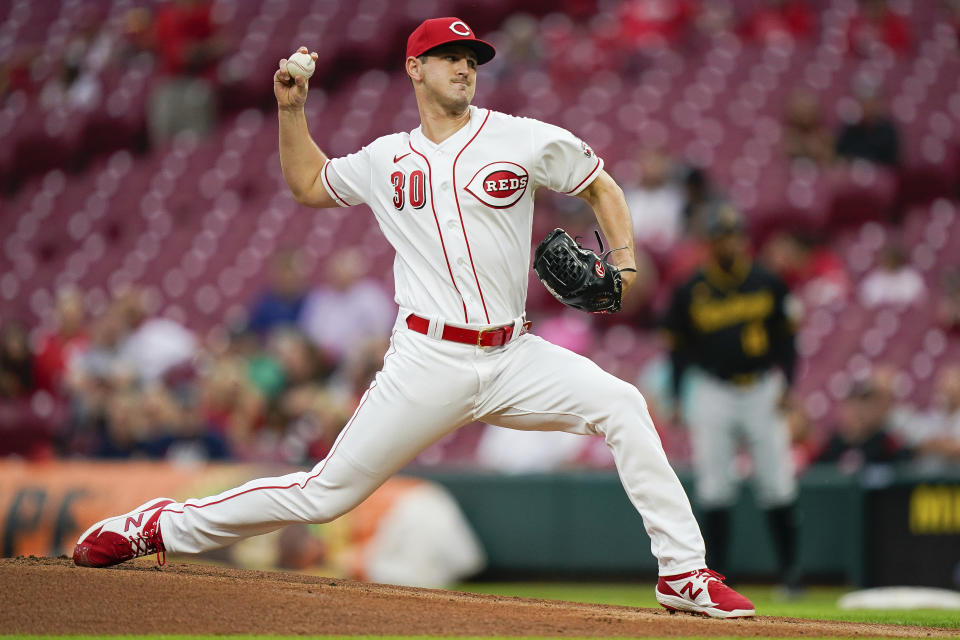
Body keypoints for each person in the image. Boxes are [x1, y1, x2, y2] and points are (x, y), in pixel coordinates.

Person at [73, 18, 754, 619]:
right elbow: (310, 185)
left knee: (623, 405)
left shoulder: (521, 139)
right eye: (451, 56)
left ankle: (682, 573)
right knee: (324, 495)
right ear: (414, 68)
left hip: (512, 355)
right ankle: (154, 528)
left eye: (473, 58)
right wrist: (292, 112)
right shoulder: (385, 159)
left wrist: (627, 265)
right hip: (427, 360)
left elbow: (600, 184)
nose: (465, 66)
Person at [661, 201, 802, 592]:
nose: (728, 244)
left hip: (761, 387)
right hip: (712, 389)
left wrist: (788, 384)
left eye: (733, 236)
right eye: (721, 237)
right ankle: (719, 576)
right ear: (709, 242)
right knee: (714, 485)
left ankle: (790, 573)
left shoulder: (766, 281)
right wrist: (675, 396)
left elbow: (788, 340)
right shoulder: (690, 289)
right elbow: (678, 350)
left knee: (777, 482)